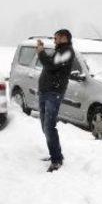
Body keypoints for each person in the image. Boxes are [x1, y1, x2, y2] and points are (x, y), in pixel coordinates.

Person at [36, 29, 75, 172]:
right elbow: (50, 64)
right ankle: (56, 153)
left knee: (49, 127)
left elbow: (51, 65)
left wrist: (40, 52)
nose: (54, 40)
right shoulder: (59, 51)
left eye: (56, 38)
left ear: (64, 38)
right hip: (45, 92)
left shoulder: (67, 52)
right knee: (44, 126)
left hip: (54, 93)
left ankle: (57, 160)